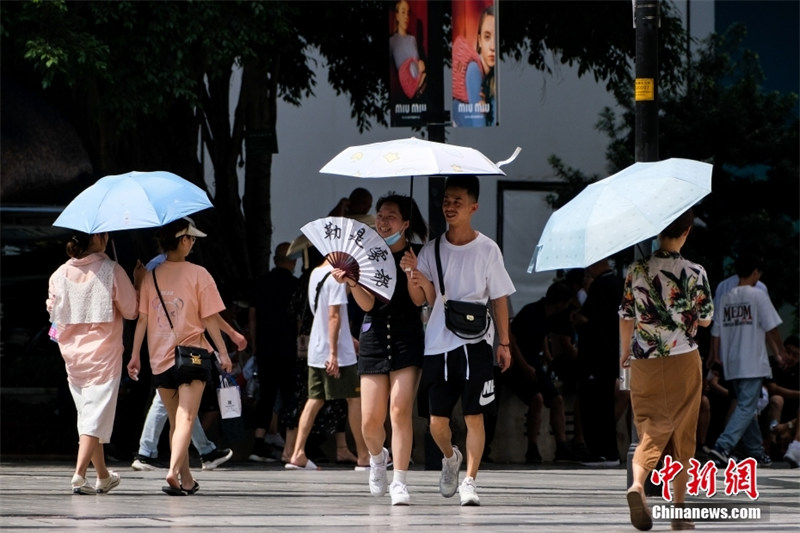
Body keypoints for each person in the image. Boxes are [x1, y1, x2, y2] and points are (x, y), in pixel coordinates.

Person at [403, 175, 514, 506]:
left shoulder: (488, 249)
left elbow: (500, 299)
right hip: (438, 344)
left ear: (473, 207)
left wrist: (504, 343)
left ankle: (470, 481)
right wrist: (413, 274)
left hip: (477, 343)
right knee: (436, 422)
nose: (450, 206)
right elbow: (421, 300)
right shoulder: (431, 249)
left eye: (458, 202)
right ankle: (451, 458)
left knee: (474, 415)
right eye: (446, 200)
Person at [619, 209, 713, 531]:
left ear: (658, 231)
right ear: (686, 232)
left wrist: (625, 353)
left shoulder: (635, 270)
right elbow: (705, 319)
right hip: (682, 360)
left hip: (643, 360)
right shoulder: (694, 271)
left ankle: (637, 484)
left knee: (649, 425)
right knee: (682, 432)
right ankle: (679, 512)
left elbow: (626, 315)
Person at [332, 194, 427, 505]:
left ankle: (399, 480)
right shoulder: (368, 255)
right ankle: (377, 457)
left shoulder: (419, 254)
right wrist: (352, 282)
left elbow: (419, 301)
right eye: (381, 215)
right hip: (374, 337)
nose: (383, 222)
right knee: (370, 422)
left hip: (407, 338)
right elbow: (367, 305)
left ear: (405, 223)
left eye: (391, 216)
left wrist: (413, 271)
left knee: (399, 411)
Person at [128, 217, 233, 495]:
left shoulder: (150, 275)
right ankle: (173, 472)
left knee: (177, 422)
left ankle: (186, 480)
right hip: (193, 355)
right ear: (183, 240)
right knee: (186, 417)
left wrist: (135, 355)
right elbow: (209, 318)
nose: (193, 243)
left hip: (159, 359)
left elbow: (142, 319)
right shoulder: (199, 274)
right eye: (192, 239)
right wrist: (223, 352)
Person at [47, 230, 142, 494]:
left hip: (72, 356)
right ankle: (79, 474)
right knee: (93, 417)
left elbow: (53, 313)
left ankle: (102, 476)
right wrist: (137, 282)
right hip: (103, 355)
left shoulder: (59, 274)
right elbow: (132, 311)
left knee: (90, 416)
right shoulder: (112, 270)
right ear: (98, 238)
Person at [285, 253, 368, 470]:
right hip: (337, 352)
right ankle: (363, 455)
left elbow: (322, 314)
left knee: (315, 399)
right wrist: (334, 353)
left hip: (317, 348)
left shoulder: (315, 273)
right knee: (354, 399)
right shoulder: (335, 277)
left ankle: (298, 453)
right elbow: (333, 316)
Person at [708, 254, 785, 468]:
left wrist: (715, 356)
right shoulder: (758, 295)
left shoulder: (726, 297)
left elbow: (716, 331)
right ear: (755, 272)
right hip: (752, 361)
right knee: (746, 406)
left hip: (732, 361)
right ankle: (722, 446)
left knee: (746, 406)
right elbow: (771, 327)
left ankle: (755, 451)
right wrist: (780, 352)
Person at [501, 281, 576, 464]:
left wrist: (548, 357)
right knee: (537, 399)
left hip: (534, 363)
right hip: (518, 365)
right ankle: (532, 448)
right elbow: (513, 340)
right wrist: (524, 365)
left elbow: (542, 335)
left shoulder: (549, 316)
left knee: (557, 399)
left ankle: (561, 446)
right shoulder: (531, 312)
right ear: (560, 303)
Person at [247, 242, 300, 462]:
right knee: (289, 396)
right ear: (292, 261)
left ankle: (258, 443)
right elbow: (299, 319)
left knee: (266, 395)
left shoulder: (261, 282)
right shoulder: (296, 285)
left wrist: (254, 344)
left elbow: (252, 315)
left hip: (265, 346)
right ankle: (291, 446)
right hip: (288, 347)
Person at [575, 258, 624, 467]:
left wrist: (576, 315)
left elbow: (586, 317)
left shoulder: (602, 285)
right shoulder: (618, 283)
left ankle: (601, 451)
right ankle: (607, 450)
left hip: (595, 355)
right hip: (610, 353)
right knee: (604, 403)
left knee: (594, 405)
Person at [452, 5, 495, 127]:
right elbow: (479, 127)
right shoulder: (474, 69)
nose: (492, 47)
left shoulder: (492, 80)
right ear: (480, 41)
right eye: (487, 37)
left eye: (496, 38)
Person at [765, 335, 799, 462]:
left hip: (793, 415)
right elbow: (773, 388)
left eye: (795, 355)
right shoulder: (772, 363)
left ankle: (794, 446)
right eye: (788, 352)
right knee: (777, 399)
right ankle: (772, 444)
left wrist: (788, 426)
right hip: (770, 410)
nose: (790, 357)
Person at [389, 0, 426, 100]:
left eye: (408, 13)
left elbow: (418, 63)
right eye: (403, 12)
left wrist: (421, 64)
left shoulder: (412, 39)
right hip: (404, 92)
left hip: (421, 84)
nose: (406, 17)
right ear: (397, 16)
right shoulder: (392, 42)